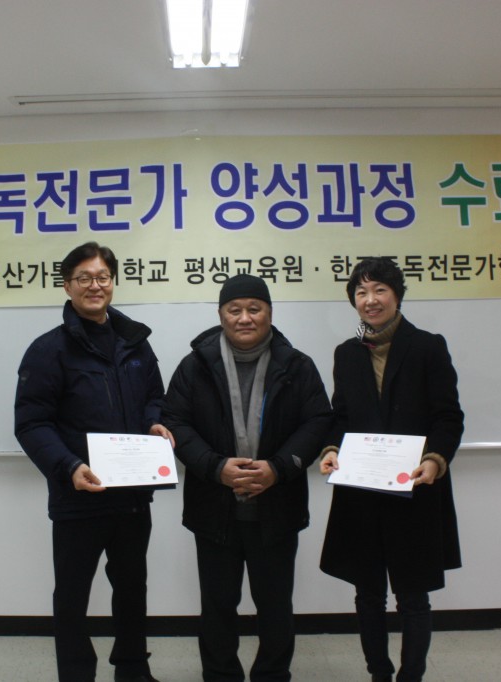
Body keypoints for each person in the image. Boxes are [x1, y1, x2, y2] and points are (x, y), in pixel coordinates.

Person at [14, 241, 172, 682]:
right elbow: (31, 424)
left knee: (132, 589)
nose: (95, 285)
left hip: (132, 494)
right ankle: (77, 674)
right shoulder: (48, 350)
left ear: (113, 282)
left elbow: (155, 397)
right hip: (79, 495)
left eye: (102, 277)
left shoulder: (135, 343)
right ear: (67, 286)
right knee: (72, 596)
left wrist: (155, 423)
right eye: (83, 278)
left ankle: (133, 670)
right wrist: (68, 467)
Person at [162, 273, 332, 682]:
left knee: (275, 605)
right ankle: (220, 675)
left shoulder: (297, 365)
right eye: (234, 309)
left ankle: (273, 674)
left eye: (254, 309)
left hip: (277, 508)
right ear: (220, 314)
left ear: (269, 313)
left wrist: (279, 467)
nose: (244, 318)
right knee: (217, 605)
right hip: (213, 509)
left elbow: (317, 422)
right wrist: (214, 466)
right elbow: (175, 422)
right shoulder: (194, 366)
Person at [318, 257, 464, 682]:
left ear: (397, 296)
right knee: (368, 595)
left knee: (413, 597)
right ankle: (379, 674)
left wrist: (434, 459)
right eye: (361, 292)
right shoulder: (347, 353)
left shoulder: (427, 346)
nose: (370, 300)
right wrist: (331, 449)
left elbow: (448, 416)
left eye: (379, 290)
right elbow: (341, 416)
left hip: (415, 489)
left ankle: (410, 676)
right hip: (361, 492)